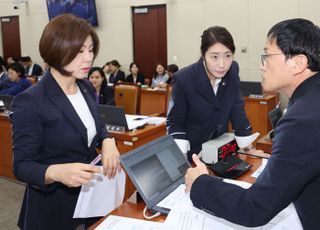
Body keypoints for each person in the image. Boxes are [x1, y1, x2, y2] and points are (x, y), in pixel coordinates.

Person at [185, 18, 320, 229]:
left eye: (266, 56)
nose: (261, 65)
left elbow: (255, 208)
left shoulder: (300, 121)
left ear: (298, 63)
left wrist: (200, 184)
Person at [10, 14, 120, 229]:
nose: (88, 58)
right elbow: (22, 166)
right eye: (79, 52)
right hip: (53, 209)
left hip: (89, 201)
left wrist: (107, 141)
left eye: (90, 50)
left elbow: (97, 127)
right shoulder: (30, 101)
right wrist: (56, 172)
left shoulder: (85, 86)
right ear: (56, 51)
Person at [166, 26, 256, 162]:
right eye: (214, 57)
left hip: (221, 149)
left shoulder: (232, 70)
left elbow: (237, 109)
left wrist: (247, 146)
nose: (222, 64)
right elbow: (175, 122)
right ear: (203, 55)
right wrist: (182, 159)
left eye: (228, 56)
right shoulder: (184, 79)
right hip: (193, 152)